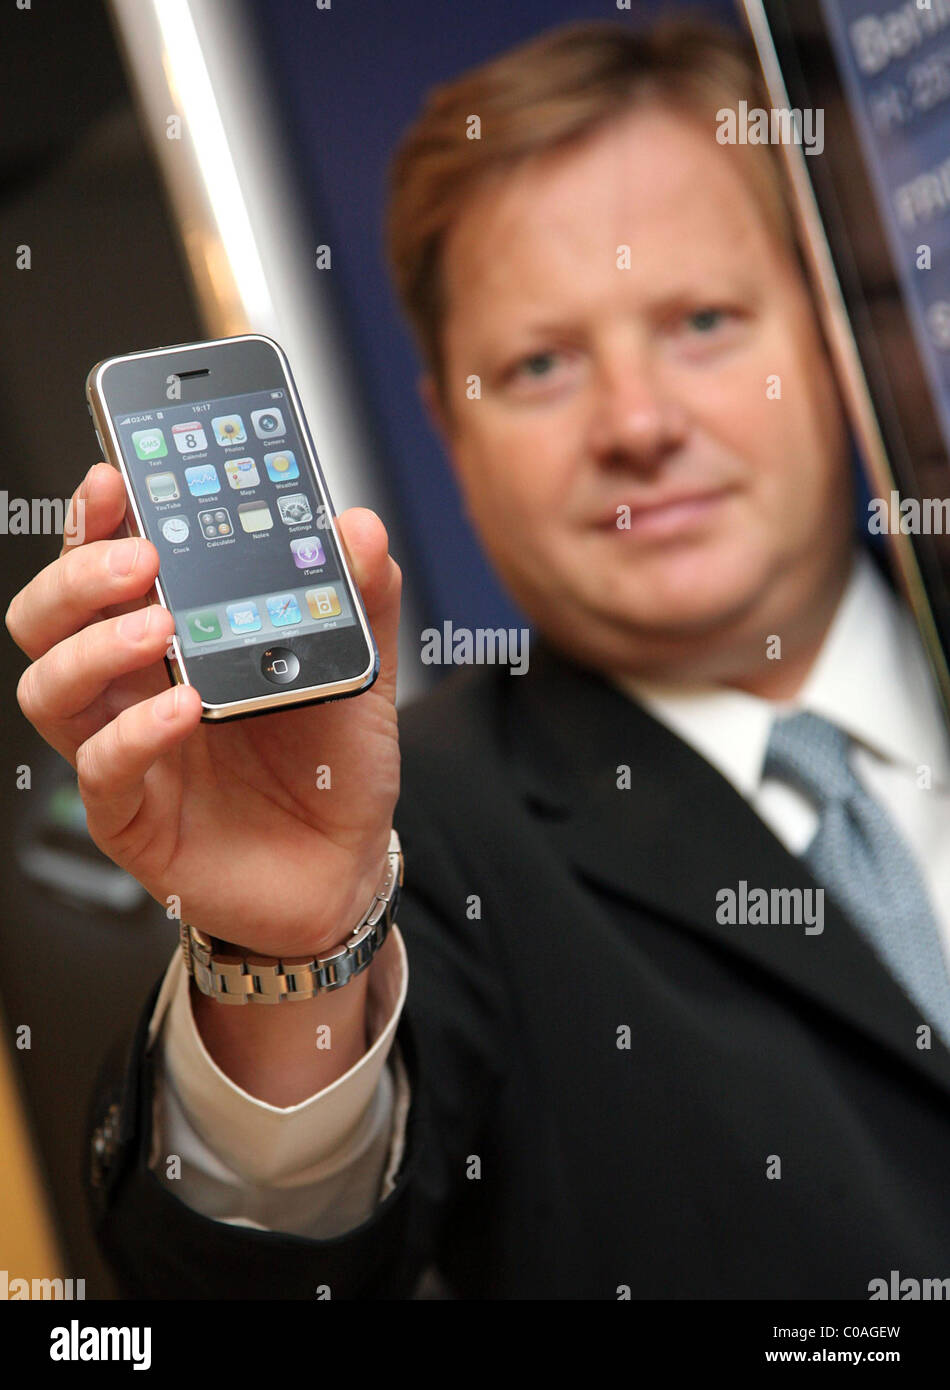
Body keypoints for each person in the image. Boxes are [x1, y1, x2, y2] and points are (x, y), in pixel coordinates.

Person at [8, 17, 950, 1300]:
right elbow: (265, 1280)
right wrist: (280, 958)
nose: (635, 423)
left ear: (831, 337)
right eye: (540, 363)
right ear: (451, 427)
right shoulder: (411, 838)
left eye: (701, 320)